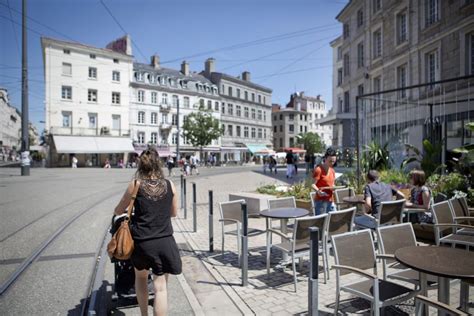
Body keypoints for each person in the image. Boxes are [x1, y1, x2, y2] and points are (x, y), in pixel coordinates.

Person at [113, 147, 181, 316]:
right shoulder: (170, 185)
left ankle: (144, 314)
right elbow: (173, 213)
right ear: (159, 164)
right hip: (165, 240)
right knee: (161, 288)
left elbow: (119, 210)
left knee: (141, 279)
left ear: (140, 166)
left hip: (142, 242)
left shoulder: (136, 185)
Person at [312, 148, 337, 215]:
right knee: (321, 222)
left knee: (334, 219)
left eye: (333, 161)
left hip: (330, 200)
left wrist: (333, 187)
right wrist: (318, 191)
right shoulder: (319, 170)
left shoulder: (332, 170)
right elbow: (313, 184)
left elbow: (332, 184)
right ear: (325, 159)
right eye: (330, 161)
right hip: (320, 201)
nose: (332, 163)